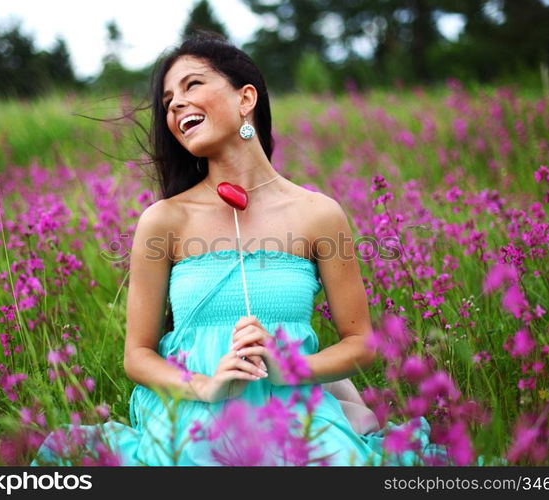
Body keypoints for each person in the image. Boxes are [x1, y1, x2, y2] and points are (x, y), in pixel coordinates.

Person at [30, 31, 447, 466]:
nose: (174, 103)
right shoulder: (164, 221)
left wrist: (291, 368)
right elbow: (137, 356)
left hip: (292, 410)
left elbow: (361, 343)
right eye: (168, 98)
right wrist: (205, 386)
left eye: (192, 85)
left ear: (245, 98)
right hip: (194, 411)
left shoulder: (319, 215)